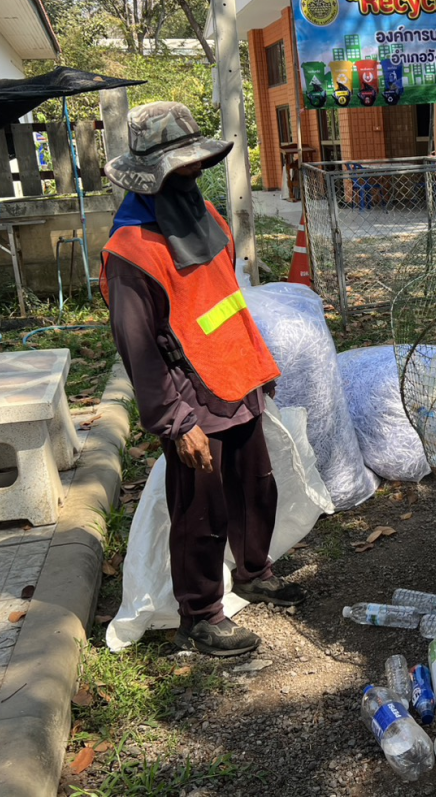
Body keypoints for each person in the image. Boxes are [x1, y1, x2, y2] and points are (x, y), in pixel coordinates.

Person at [101, 101, 305, 657]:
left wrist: (258, 365)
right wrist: (176, 421)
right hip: (189, 396)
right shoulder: (130, 251)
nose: (194, 171)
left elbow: (228, 300)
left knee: (256, 486)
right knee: (200, 509)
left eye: (197, 162)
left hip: (236, 379)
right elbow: (139, 350)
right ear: (152, 175)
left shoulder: (208, 216)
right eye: (182, 166)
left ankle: (255, 571)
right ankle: (200, 615)